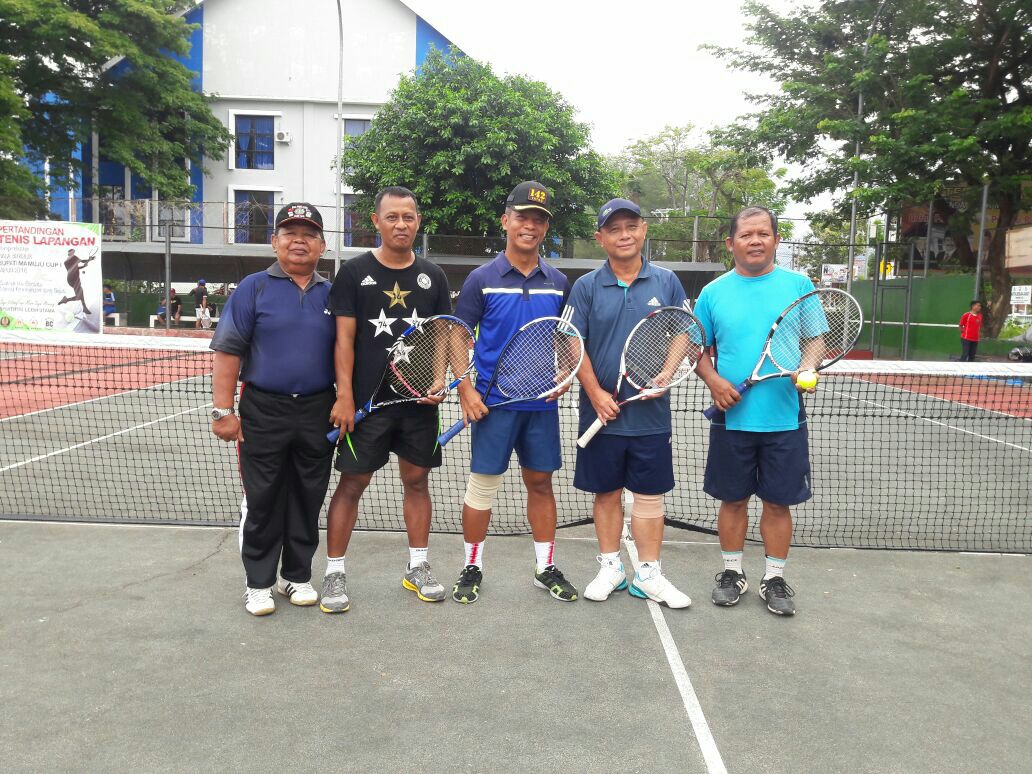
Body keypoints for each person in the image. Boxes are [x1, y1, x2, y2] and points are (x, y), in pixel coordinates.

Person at [321, 187, 453, 613]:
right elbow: (343, 341)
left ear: (418, 221)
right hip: (367, 405)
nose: (401, 225)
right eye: (392, 217)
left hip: (417, 406)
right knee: (352, 484)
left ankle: (418, 566)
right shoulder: (354, 272)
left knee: (417, 482)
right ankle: (334, 573)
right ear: (376, 221)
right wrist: (344, 397)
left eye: (409, 217)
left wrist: (437, 380)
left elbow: (441, 334)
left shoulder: (433, 276)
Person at [450, 181, 578, 604]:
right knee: (482, 486)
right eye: (522, 216)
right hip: (493, 403)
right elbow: (456, 337)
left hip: (540, 405)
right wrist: (466, 391)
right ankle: (472, 565)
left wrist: (565, 372)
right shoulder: (480, 279)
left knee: (540, 484)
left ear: (545, 229)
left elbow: (566, 337)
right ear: (506, 221)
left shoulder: (559, 281)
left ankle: (545, 567)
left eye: (539, 219)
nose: (530, 225)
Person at [209, 202, 336, 616]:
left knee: (307, 496)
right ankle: (258, 583)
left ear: (322, 245)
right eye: (290, 232)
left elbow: (348, 353)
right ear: (274, 241)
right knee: (263, 498)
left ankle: (296, 577)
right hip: (263, 409)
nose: (299, 240)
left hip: (319, 410)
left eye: (308, 234)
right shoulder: (253, 288)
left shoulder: (333, 294)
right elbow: (228, 351)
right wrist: (222, 411)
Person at [564, 199, 692, 608]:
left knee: (650, 496)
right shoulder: (585, 286)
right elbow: (571, 341)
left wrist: (667, 373)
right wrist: (597, 394)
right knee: (606, 493)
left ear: (643, 230)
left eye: (631, 226)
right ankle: (611, 567)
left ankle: (649, 574)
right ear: (600, 238)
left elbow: (683, 331)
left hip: (651, 415)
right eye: (614, 228)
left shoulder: (667, 281)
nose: (624, 234)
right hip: (600, 412)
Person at [694, 206, 816, 617]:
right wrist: (713, 382)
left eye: (763, 233)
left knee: (778, 503)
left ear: (777, 240)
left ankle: (774, 578)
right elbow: (698, 350)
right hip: (732, 418)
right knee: (732, 500)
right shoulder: (713, 293)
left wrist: (809, 366)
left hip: (784, 416)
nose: (755, 241)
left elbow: (815, 339)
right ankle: (732, 572)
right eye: (746, 235)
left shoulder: (800, 285)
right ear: (731, 244)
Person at [57, 248, 95, 315]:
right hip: (75, 278)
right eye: (73, 251)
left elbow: (75, 268)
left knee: (80, 293)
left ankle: (84, 308)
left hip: (70, 279)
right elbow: (82, 261)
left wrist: (84, 266)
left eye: (73, 252)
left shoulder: (65, 262)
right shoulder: (74, 258)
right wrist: (90, 259)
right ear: (70, 252)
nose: (74, 253)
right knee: (79, 295)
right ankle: (66, 300)